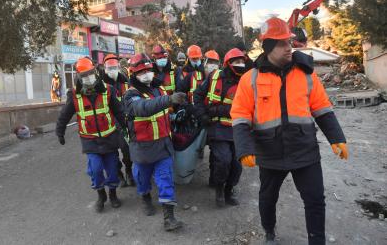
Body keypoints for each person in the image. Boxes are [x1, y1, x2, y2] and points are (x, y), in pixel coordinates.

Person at [231, 17, 348, 244]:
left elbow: (322, 108)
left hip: (304, 150)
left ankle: (317, 240)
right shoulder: (250, 79)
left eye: (289, 42)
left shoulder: (306, 73)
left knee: (315, 200)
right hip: (269, 153)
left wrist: (337, 138)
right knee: (267, 198)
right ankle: (269, 231)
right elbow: (240, 116)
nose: (289, 47)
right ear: (268, 48)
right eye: (283, 43)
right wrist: (244, 148)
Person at [124, 53, 187, 231]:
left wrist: (176, 115)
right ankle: (145, 198)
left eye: (148, 70)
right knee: (142, 179)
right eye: (141, 71)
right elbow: (143, 108)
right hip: (142, 148)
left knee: (165, 179)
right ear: (133, 74)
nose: (146, 74)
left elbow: (164, 113)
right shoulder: (130, 96)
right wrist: (168, 100)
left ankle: (169, 218)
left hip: (163, 145)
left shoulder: (159, 89)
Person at [56, 57, 126, 213]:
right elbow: (64, 115)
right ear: (78, 77)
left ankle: (113, 194)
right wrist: (60, 132)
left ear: (95, 72)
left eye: (90, 73)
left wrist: (128, 127)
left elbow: (119, 111)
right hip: (90, 141)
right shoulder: (74, 95)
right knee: (95, 169)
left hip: (110, 138)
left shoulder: (108, 90)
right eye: (84, 75)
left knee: (113, 169)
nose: (88, 77)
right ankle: (101, 196)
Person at [194, 48, 249, 207]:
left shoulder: (246, 80)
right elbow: (198, 95)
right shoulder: (214, 77)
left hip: (239, 128)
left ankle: (229, 190)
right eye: (236, 62)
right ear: (228, 63)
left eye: (242, 61)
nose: (240, 64)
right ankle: (219, 189)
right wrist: (202, 115)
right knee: (223, 160)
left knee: (237, 165)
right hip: (218, 126)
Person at [100, 54, 135, 187]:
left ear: (119, 68)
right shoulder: (100, 85)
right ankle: (119, 175)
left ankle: (129, 172)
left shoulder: (126, 81)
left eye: (115, 67)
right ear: (105, 69)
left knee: (127, 150)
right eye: (110, 68)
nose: (112, 70)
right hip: (107, 124)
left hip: (123, 121)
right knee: (112, 154)